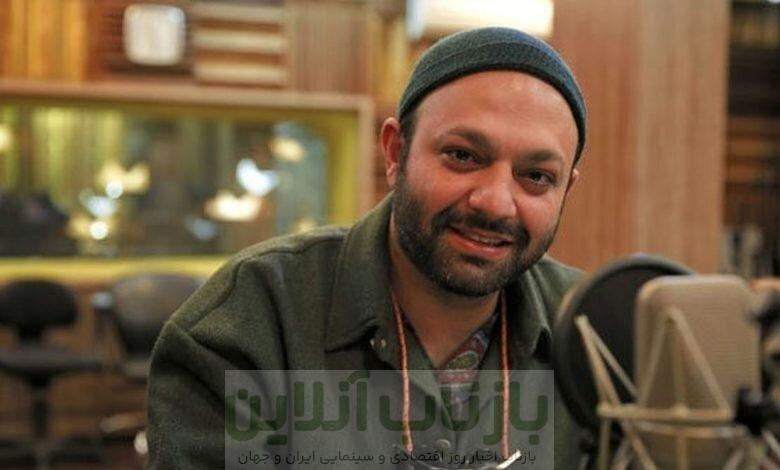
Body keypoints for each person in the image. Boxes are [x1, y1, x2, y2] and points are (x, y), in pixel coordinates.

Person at [147, 26, 587, 469]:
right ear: (396, 153)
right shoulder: (248, 323)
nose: (495, 203)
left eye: (536, 177)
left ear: (565, 190)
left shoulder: (597, 333)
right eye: (463, 156)